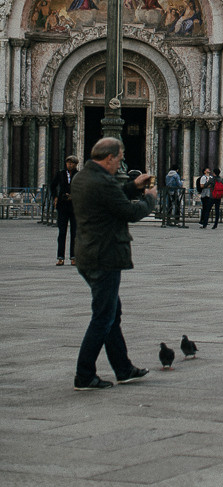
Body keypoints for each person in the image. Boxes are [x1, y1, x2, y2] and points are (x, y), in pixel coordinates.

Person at [70, 137, 155, 390]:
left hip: (88, 254)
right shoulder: (102, 182)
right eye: (119, 158)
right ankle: (84, 375)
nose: (121, 162)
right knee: (103, 317)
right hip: (104, 256)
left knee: (111, 313)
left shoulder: (83, 178)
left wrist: (132, 186)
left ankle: (123, 369)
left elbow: (108, 200)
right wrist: (149, 198)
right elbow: (129, 212)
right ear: (109, 158)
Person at [51, 154, 79, 265]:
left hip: (75, 207)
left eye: (71, 163)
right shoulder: (60, 174)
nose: (69, 165)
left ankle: (73, 257)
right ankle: (60, 257)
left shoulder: (79, 175)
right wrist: (56, 197)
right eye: (68, 163)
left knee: (74, 233)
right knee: (62, 232)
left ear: (76, 164)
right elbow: (53, 185)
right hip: (62, 206)